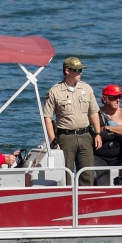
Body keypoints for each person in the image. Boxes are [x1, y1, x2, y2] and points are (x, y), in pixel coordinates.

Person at [43, 57, 102, 185]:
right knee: (66, 174)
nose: (80, 73)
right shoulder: (55, 91)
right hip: (65, 137)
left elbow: (93, 112)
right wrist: (53, 141)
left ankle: (86, 201)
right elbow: (47, 118)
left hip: (85, 135)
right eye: (77, 70)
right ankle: (68, 201)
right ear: (67, 71)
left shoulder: (86, 88)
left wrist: (98, 134)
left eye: (81, 70)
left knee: (87, 173)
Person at [93, 84, 122, 185]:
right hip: (101, 157)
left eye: (120, 97)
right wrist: (119, 128)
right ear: (104, 99)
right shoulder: (97, 114)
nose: (118, 100)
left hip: (121, 156)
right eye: (114, 97)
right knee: (89, 176)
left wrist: (108, 128)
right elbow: (95, 131)